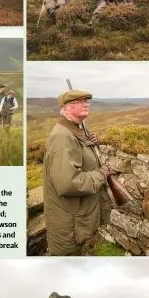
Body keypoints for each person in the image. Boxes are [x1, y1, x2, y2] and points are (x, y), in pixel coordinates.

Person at [43, 89, 111, 256]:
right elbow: (69, 183)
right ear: (65, 109)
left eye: (86, 101)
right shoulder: (63, 137)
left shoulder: (73, 130)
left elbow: (78, 155)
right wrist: (102, 174)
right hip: (68, 225)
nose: (85, 104)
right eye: (79, 102)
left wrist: (88, 141)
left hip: (73, 220)